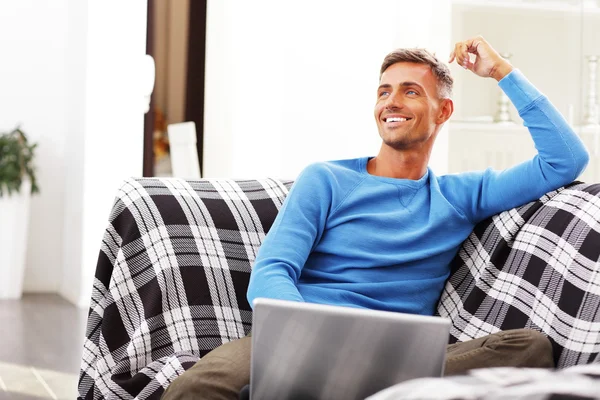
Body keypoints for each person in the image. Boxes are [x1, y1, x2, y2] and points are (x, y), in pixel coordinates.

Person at [161, 36, 589, 400]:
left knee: (528, 347)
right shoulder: (326, 179)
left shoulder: (459, 195)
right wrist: (309, 336)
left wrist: (501, 72)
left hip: (395, 362)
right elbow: (273, 269)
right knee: (196, 387)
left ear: (443, 112)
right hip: (301, 342)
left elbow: (564, 160)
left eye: (410, 91)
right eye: (384, 91)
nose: (392, 102)